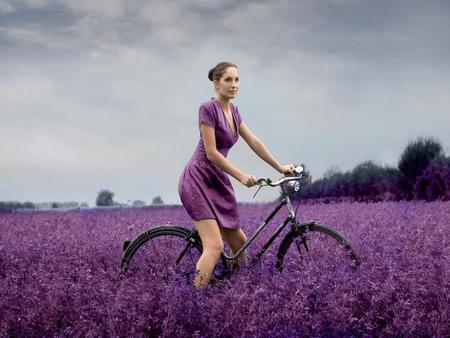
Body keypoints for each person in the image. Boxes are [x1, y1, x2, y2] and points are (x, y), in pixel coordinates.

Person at [178, 61, 295, 288]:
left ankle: (231, 292)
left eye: (237, 80)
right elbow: (211, 154)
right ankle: (192, 300)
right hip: (198, 178)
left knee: (239, 242)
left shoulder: (234, 111)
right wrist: (241, 176)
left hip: (216, 180)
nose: (234, 85)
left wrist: (279, 167)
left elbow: (254, 141)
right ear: (216, 84)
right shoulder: (207, 109)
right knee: (214, 246)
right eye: (228, 80)